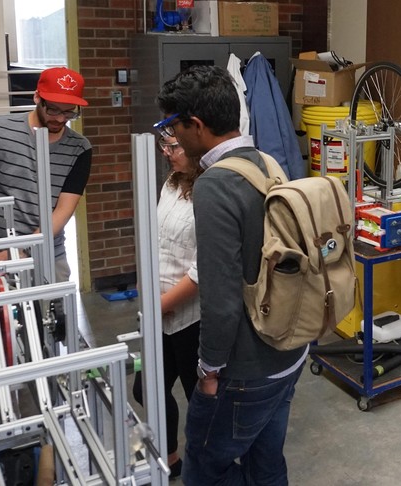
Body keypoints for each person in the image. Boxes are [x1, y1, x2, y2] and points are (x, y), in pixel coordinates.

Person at [155, 65, 307, 486]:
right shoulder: (265, 161)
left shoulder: (215, 184)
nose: (172, 138)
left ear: (197, 126)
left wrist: (208, 372)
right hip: (289, 349)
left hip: (246, 367)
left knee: (205, 469)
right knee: (266, 462)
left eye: (173, 126)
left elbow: (219, 298)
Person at [0, 67, 92, 282]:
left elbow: (63, 211)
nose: (60, 119)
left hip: (49, 252)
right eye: (53, 110)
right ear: (37, 97)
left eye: (69, 112)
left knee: (54, 312)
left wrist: (23, 249)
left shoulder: (80, 148)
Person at [131, 135, 203, 479]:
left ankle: (208, 468)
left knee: (202, 401)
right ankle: (172, 459)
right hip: (159, 314)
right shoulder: (172, 183)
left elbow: (203, 270)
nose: (166, 152)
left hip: (192, 319)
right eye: (165, 145)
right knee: (146, 389)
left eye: (174, 146)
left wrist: (162, 303)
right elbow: (158, 240)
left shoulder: (209, 192)